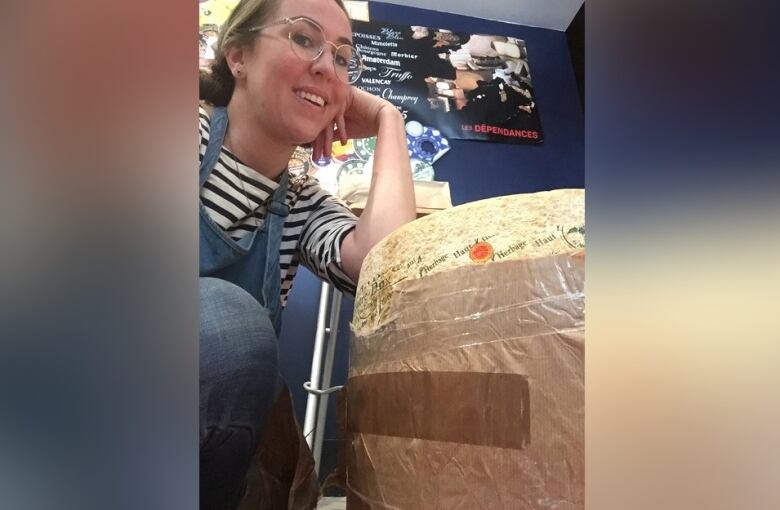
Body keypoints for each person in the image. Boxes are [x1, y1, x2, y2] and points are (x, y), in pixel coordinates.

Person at [197, 0, 416, 508]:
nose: (326, 65)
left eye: (342, 57)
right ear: (238, 56)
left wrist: (389, 119)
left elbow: (387, 265)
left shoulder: (301, 204)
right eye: (303, 38)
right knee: (230, 323)